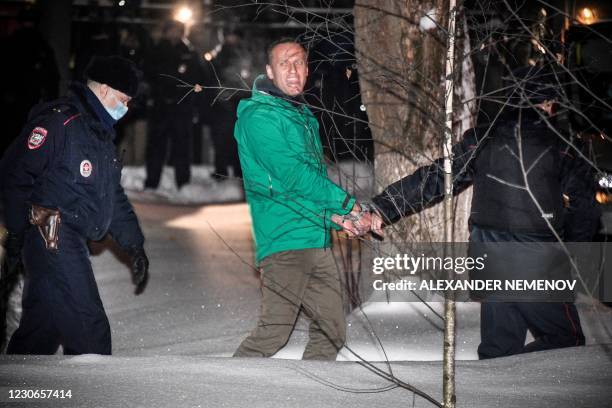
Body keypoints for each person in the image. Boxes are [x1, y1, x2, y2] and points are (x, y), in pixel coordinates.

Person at [353, 66, 598, 359]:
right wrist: (568, 246)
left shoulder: (483, 138)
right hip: (538, 256)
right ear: (548, 103)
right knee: (565, 340)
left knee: (500, 348)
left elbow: (435, 178)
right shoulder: (564, 144)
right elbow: (585, 209)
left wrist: (383, 206)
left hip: (488, 251)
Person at [0, 55, 149, 355]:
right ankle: (94, 392)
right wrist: (16, 232)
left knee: (42, 328)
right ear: (104, 90)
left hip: (69, 237)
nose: (127, 108)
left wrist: (134, 244)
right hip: (50, 232)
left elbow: (112, 196)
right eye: (124, 99)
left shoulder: (99, 133)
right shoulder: (61, 122)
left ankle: (19, 389)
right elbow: (14, 172)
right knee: (88, 326)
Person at [232, 39, 368, 360]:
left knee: (331, 330)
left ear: (307, 70)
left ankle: (309, 392)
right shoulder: (260, 117)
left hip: (313, 238)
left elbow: (299, 188)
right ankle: (229, 389)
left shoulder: (301, 116)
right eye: (285, 63)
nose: (294, 70)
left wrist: (333, 217)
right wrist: (346, 205)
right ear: (269, 71)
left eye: (300, 63)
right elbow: (294, 176)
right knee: (273, 332)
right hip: (285, 242)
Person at [143, 21, 202, 192]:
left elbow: (196, 79)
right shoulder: (155, 51)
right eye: (171, 30)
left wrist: (192, 102)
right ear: (165, 32)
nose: (174, 34)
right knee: (156, 146)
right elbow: (148, 74)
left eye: (178, 31)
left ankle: (183, 184)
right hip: (160, 106)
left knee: (182, 147)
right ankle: (151, 183)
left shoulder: (189, 52)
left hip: (181, 107)